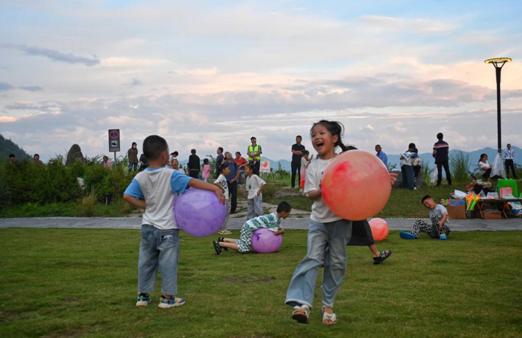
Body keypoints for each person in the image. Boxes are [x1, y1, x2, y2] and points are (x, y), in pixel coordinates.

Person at [123, 135, 225, 309]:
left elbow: (127, 195)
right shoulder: (171, 174)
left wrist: (145, 206)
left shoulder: (140, 176)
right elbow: (194, 182)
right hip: (168, 228)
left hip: (147, 227)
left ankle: (142, 296)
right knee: (168, 263)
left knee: (146, 262)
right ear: (164, 155)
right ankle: (168, 298)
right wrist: (216, 187)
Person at [285, 120, 355, 325]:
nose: (316, 137)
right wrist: (325, 187)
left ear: (334, 138)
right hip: (319, 221)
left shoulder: (344, 162)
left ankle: (328, 306)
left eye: (321, 133)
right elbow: (311, 195)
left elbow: (361, 180)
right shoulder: (313, 166)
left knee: (337, 263)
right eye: (313, 134)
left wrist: (380, 179)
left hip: (341, 221)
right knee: (312, 259)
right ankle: (303, 304)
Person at [212, 202, 290, 254]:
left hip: (249, 226)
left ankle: (223, 239)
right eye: (288, 213)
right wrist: (282, 231)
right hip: (249, 227)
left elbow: (278, 226)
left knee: (243, 242)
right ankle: (220, 244)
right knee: (244, 248)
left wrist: (281, 229)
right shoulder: (274, 218)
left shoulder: (275, 216)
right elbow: (275, 233)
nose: (288, 215)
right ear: (283, 213)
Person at [214, 162, 232, 235]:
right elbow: (215, 183)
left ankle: (222, 228)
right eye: (228, 169)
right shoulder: (221, 177)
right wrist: (222, 189)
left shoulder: (223, 177)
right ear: (223, 169)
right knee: (226, 213)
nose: (229, 170)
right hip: (225, 198)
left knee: (225, 213)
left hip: (225, 197)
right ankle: (223, 229)